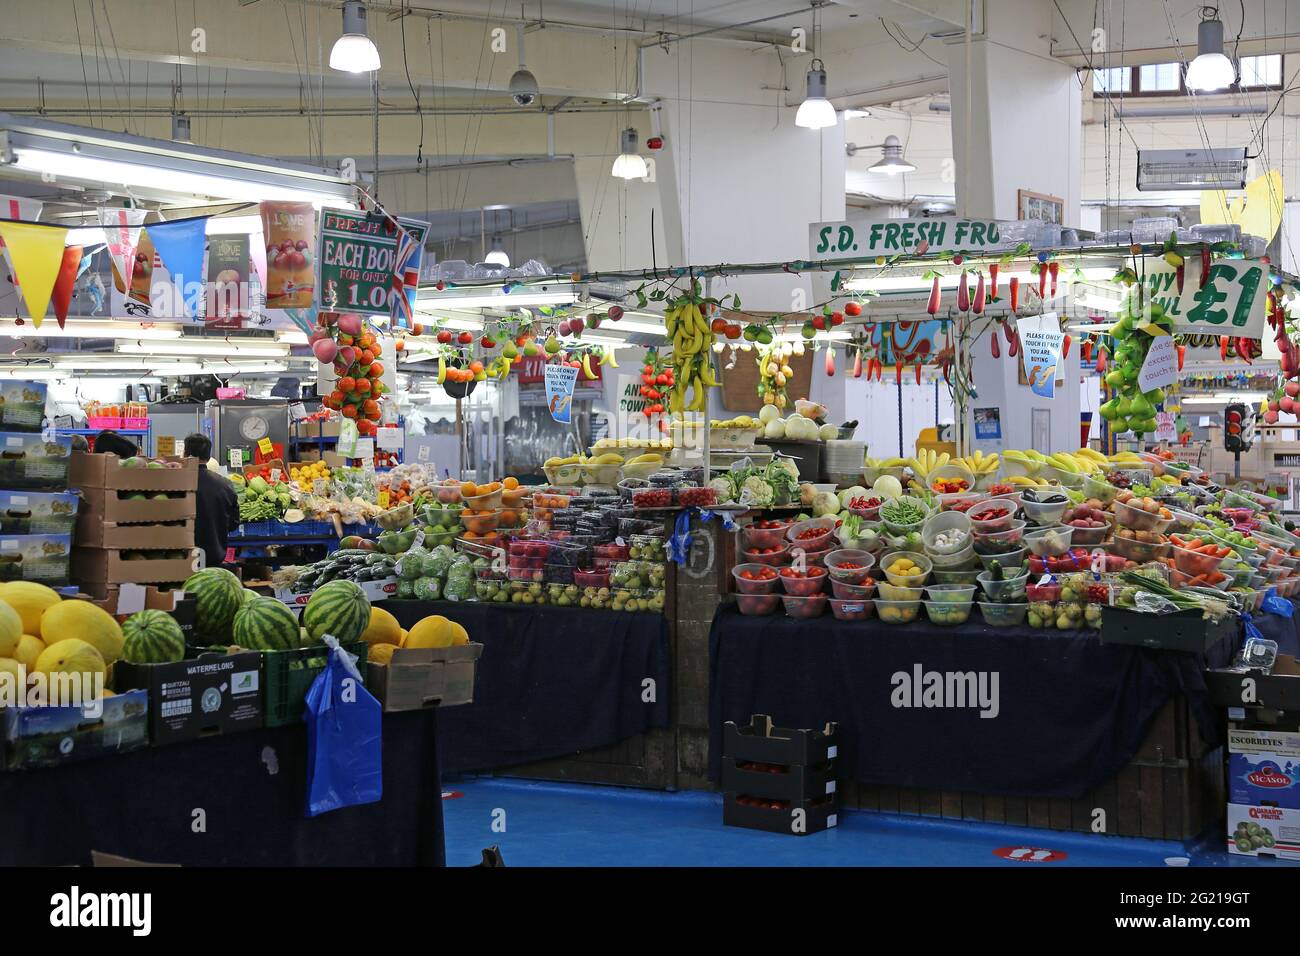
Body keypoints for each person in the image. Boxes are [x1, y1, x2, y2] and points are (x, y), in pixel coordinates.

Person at [184, 433, 240, 570]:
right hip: (214, 559)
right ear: (209, 457)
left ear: (185, 453)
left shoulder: (177, 484)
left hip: (182, 559)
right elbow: (233, 524)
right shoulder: (226, 485)